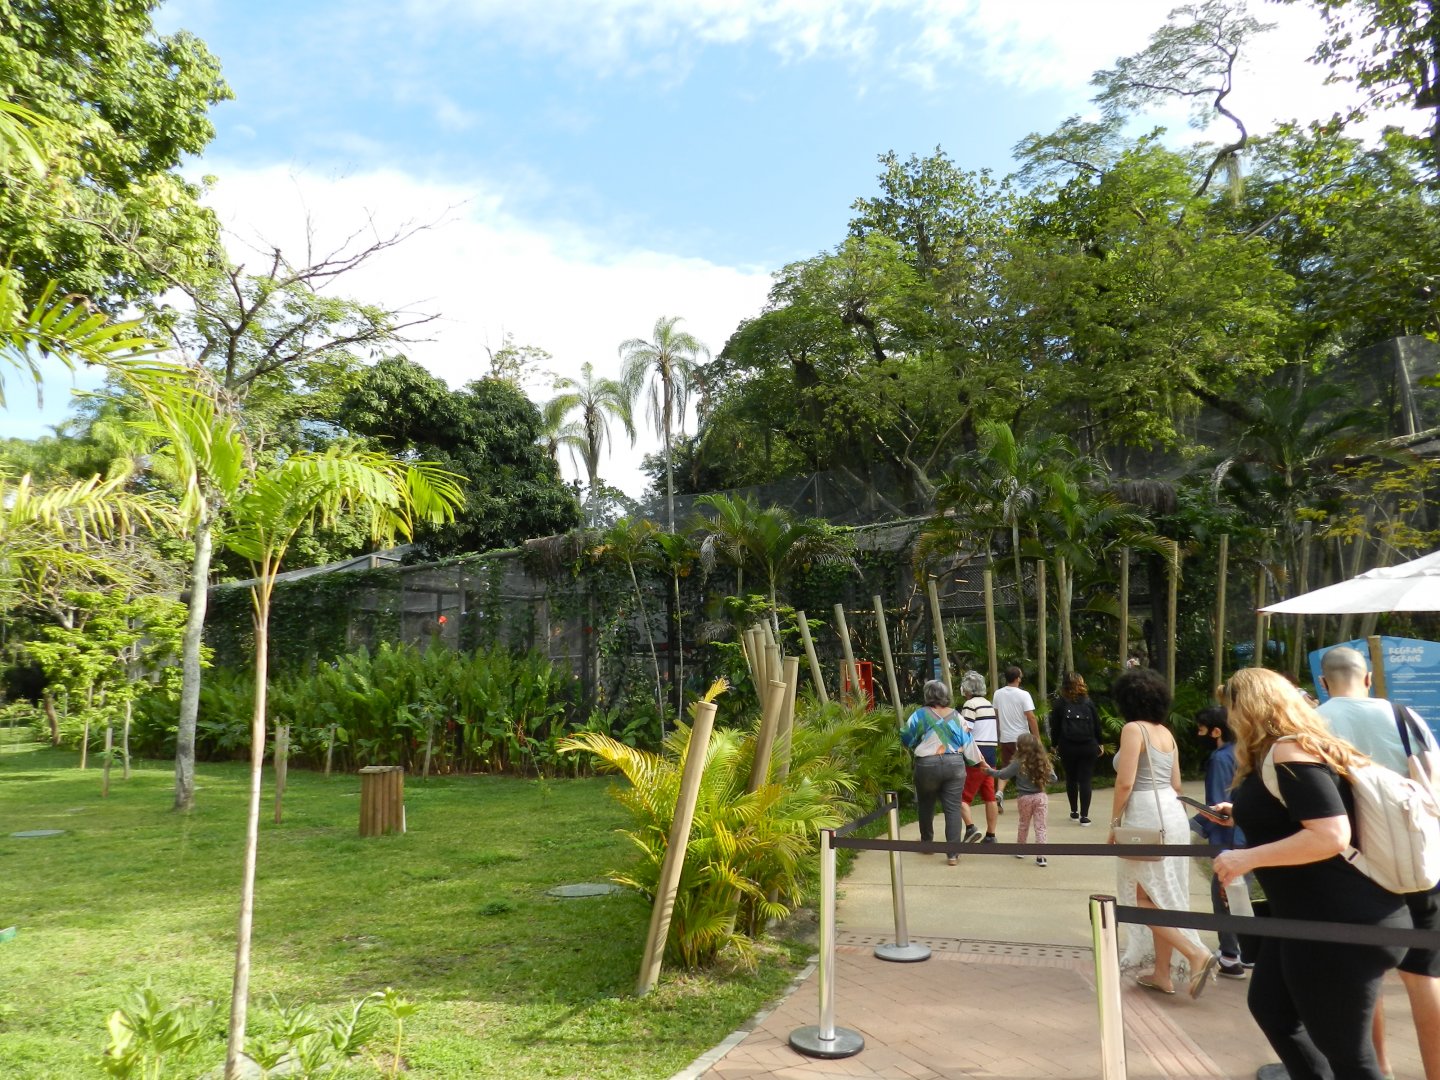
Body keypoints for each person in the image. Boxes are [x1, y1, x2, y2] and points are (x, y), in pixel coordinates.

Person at [1214, 667, 1410, 1080]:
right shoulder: (1286, 752)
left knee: (1349, 1056)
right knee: (1272, 1009)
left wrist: (1245, 859)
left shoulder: (1288, 752)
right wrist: (1243, 812)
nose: (1228, 719)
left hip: (1338, 922)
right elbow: (1299, 815)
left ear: (1247, 707)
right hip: (1309, 919)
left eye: (1231, 708)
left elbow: (1330, 834)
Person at [1317, 645, 1440, 1080]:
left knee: (1367, 978)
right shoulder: (1407, 717)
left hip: (1353, 865)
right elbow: (1434, 785)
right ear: (1367, 678)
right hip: (1416, 862)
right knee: (1425, 976)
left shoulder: (1315, 723)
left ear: (1323, 682)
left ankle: (1380, 1070)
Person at [1107, 666, 1218, 997]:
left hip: (1144, 814)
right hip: (1172, 813)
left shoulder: (1133, 729)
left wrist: (1113, 824)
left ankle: (1195, 953)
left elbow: (1125, 781)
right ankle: (1161, 973)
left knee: (1142, 899)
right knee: (1163, 895)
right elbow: (1177, 784)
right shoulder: (1166, 733)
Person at [1191, 704, 1249, 980]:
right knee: (1241, 895)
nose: (1198, 734)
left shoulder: (1219, 759)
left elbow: (1216, 808)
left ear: (1216, 731)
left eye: (1201, 730)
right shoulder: (1245, 752)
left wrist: (1193, 822)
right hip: (1249, 837)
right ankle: (1244, 949)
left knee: (1224, 893)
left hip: (1228, 839)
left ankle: (1230, 955)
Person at [900, 679, 983, 866]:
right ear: (945, 696)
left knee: (926, 804)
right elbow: (969, 743)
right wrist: (976, 763)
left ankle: (927, 843)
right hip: (954, 765)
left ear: (927, 695)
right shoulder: (957, 716)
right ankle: (952, 854)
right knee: (953, 808)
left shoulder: (920, 715)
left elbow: (906, 738)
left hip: (926, 766)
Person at [987, 732, 1057, 866]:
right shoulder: (1042, 761)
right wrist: (1041, 780)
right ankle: (1041, 857)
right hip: (1041, 797)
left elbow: (1003, 774)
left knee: (1024, 824)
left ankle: (1021, 850)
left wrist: (989, 771)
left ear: (1019, 747)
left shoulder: (1018, 763)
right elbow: (1054, 778)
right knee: (1040, 827)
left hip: (1024, 797)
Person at [1049, 671, 1104, 825]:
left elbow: (1055, 727)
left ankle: (1074, 811)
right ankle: (1085, 816)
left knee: (1071, 778)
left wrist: (1054, 744)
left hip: (1067, 745)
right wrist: (1100, 742)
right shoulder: (1088, 702)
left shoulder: (1060, 703)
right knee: (1085, 780)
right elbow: (1097, 725)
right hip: (1088, 745)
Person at [958, 670, 1000, 843]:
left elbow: (965, 731)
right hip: (990, 754)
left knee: (960, 797)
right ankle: (991, 834)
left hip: (976, 754)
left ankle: (970, 828)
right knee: (989, 796)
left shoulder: (970, 705)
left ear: (966, 689)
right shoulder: (988, 704)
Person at [993, 665, 1040, 809]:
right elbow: (1031, 717)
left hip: (1006, 737)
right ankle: (1026, 797)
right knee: (1026, 767)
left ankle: (999, 792)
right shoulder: (1023, 695)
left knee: (1006, 767)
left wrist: (998, 733)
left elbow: (996, 715)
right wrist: (1036, 737)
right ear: (1018, 678)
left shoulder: (998, 694)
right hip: (1022, 738)